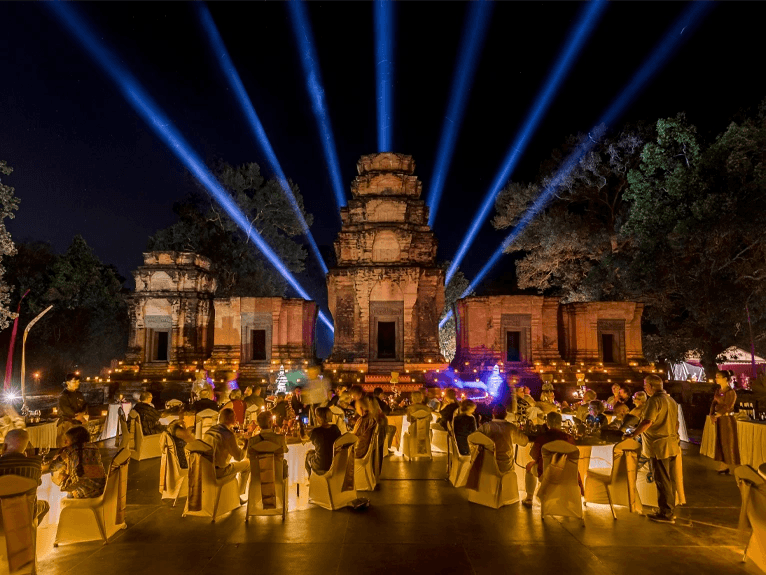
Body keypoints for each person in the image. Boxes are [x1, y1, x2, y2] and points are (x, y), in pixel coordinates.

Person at [626, 375, 680, 524]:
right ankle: (668, 510)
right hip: (671, 444)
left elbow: (647, 421)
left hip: (658, 446)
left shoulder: (654, 401)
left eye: (645, 385)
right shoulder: (671, 400)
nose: (644, 388)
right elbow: (676, 423)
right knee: (669, 479)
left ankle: (666, 513)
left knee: (662, 479)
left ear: (651, 386)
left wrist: (633, 434)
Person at [523, 412, 575, 506]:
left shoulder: (543, 437)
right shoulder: (568, 437)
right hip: (567, 473)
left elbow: (534, 455)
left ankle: (529, 498)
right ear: (560, 422)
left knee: (529, 466)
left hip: (547, 473)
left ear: (547, 423)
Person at [0, 429, 49, 521]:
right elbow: (38, 483)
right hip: (25, 516)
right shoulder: (35, 465)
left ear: (4, 446)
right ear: (25, 449)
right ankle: (27, 532)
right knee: (45, 505)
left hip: (1, 518)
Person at [49, 425, 106, 499]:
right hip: (102, 489)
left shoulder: (70, 450)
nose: (65, 442)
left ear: (75, 440)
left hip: (86, 494)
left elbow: (53, 467)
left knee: (68, 494)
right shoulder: (94, 447)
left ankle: (72, 509)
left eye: (67, 440)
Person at [204, 408, 249, 495]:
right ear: (228, 419)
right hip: (220, 471)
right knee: (247, 464)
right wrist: (246, 443)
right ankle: (239, 495)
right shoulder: (228, 434)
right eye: (234, 417)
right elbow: (239, 457)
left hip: (207, 469)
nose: (236, 419)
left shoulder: (210, 431)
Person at [478, 404, 529, 473]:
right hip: (506, 466)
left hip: (489, 465)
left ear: (493, 413)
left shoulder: (486, 427)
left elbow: (473, 438)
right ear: (506, 414)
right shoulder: (511, 428)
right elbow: (524, 442)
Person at [710, 369, 740, 475]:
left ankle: (730, 465)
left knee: (728, 442)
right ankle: (723, 463)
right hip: (719, 420)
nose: (716, 378)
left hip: (727, 420)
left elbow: (728, 406)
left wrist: (719, 413)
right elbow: (713, 403)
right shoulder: (718, 391)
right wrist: (712, 414)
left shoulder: (730, 392)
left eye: (718, 376)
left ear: (725, 379)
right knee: (720, 441)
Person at [304, 407, 341, 477]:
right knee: (314, 452)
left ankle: (310, 478)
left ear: (319, 418)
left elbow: (305, 438)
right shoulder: (335, 428)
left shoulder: (317, 431)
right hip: (335, 462)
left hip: (321, 465)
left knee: (308, 456)